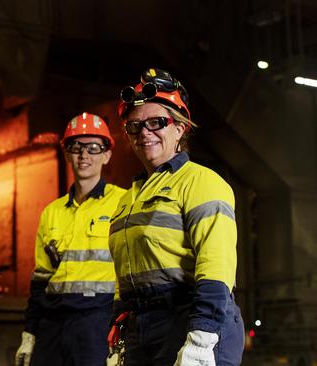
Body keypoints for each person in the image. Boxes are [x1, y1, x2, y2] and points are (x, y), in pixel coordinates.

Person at [107, 68, 244, 366]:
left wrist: (201, 338)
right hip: (141, 327)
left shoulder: (200, 182)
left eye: (157, 122)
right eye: (135, 126)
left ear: (180, 128)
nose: (145, 132)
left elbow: (216, 265)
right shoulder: (129, 197)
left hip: (189, 318)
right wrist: (119, 322)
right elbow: (127, 268)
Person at [15, 113, 126, 366]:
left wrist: (124, 333)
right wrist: (30, 334)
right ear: (66, 154)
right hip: (53, 324)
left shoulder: (123, 203)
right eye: (76, 147)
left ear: (107, 155)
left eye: (93, 148)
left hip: (98, 323)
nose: (83, 155)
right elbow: (40, 281)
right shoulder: (51, 212)